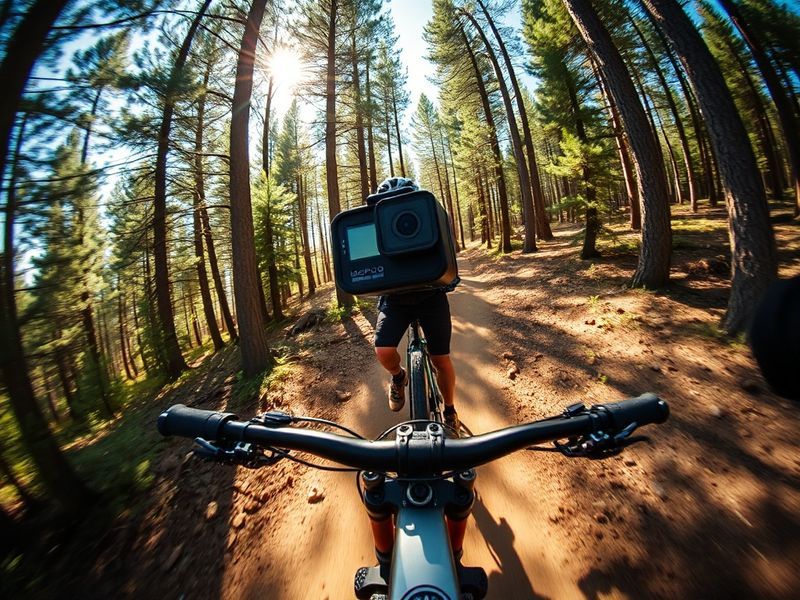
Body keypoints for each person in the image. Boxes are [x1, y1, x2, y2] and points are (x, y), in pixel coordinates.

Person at [371, 177, 461, 434]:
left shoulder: (429, 222)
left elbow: (445, 254)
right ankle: (399, 377)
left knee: (440, 359)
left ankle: (450, 408)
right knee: (383, 349)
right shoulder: (376, 231)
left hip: (431, 296)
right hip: (394, 299)